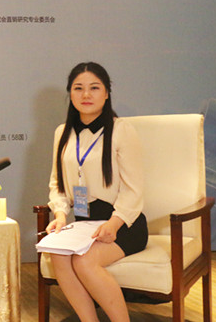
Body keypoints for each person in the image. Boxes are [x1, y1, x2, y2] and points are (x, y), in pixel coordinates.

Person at [45, 62, 148, 322]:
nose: (86, 95)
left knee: (84, 261)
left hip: (124, 224)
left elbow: (134, 189)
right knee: (59, 254)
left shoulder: (122, 130)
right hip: (84, 223)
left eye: (94, 88)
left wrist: (114, 223)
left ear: (106, 93)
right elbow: (57, 183)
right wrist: (59, 215)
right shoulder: (62, 133)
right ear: (70, 93)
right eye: (78, 88)